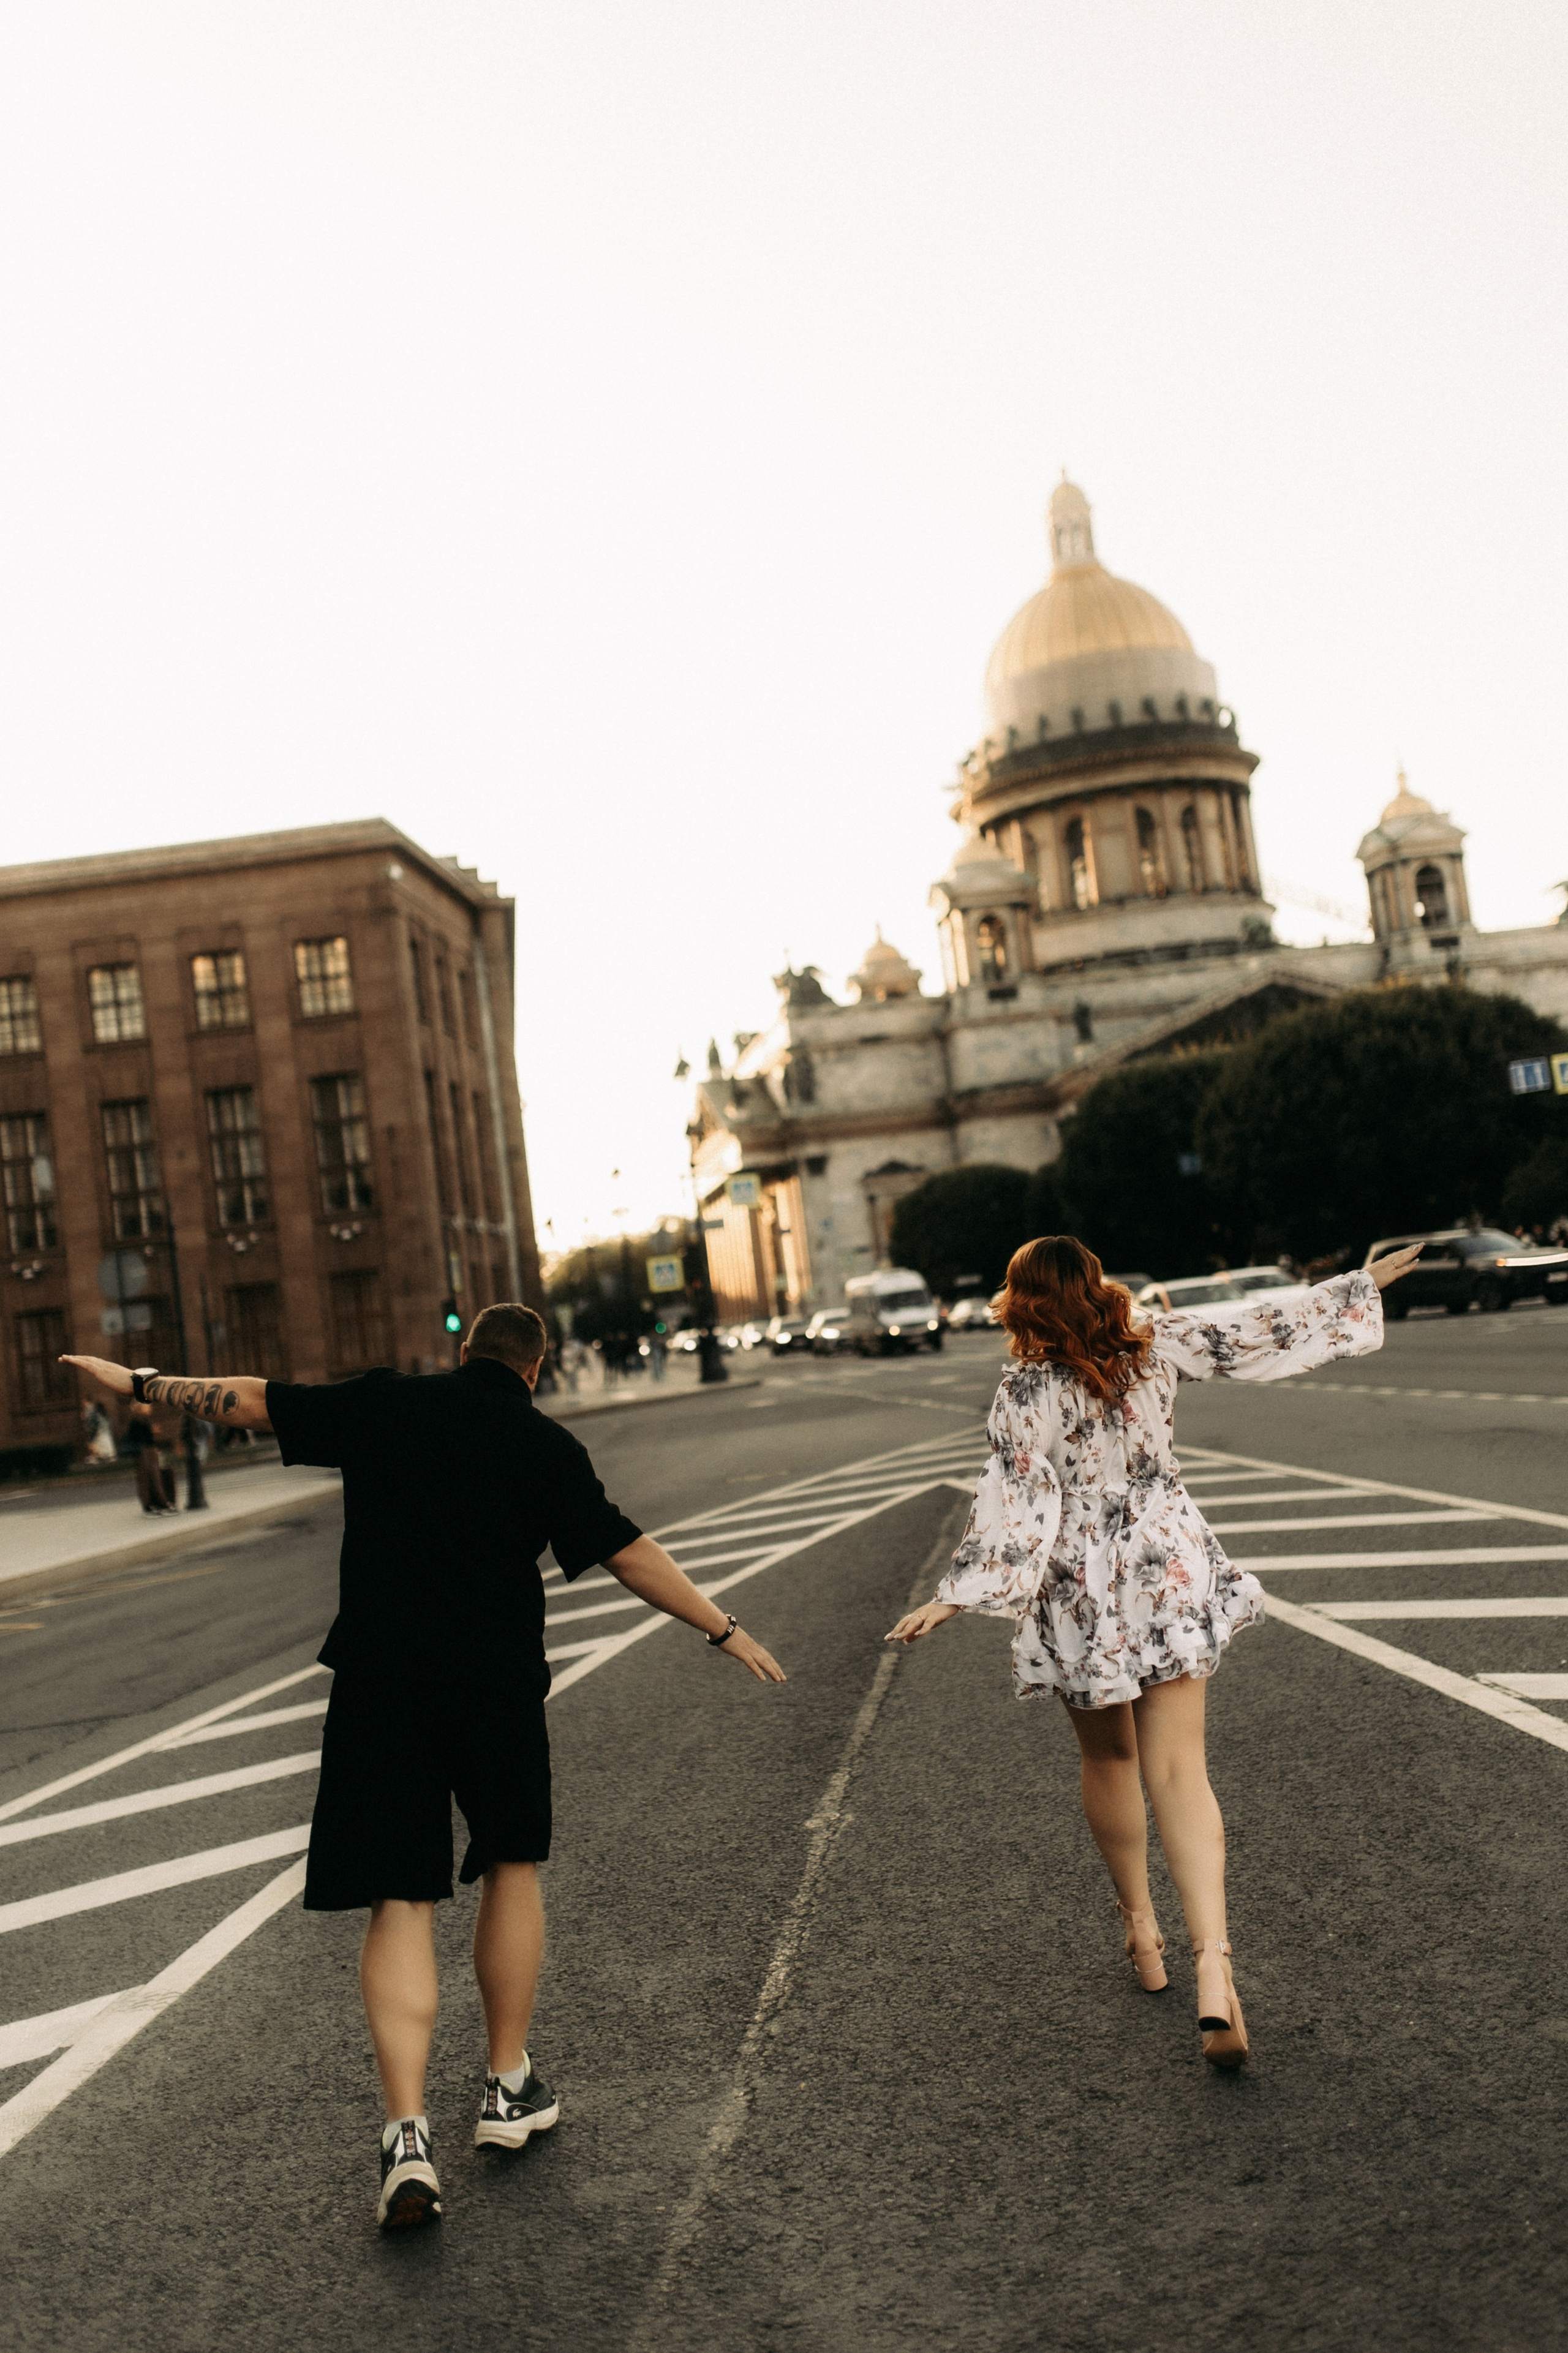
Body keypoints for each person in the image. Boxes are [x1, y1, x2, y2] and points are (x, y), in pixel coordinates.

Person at [62, 1303, 785, 2231]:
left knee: (400, 1896)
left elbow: (248, 1402)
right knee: (511, 1865)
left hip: (381, 1681)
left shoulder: (386, 1405)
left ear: (463, 1352)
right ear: (535, 1367)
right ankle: (506, 2088)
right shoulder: (542, 1442)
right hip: (494, 1684)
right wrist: (722, 1628)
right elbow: (626, 1554)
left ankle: (407, 2136)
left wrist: (136, 1382)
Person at [888, 1235, 1419, 2069]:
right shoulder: (1153, 1342)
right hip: (1165, 1563)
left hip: (1078, 1584)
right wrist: (1354, 1286)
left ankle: (1143, 1932)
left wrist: (951, 1598)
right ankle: (1216, 1968)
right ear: (1095, 1285)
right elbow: (1256, 1329)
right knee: (1182, 1770)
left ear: (1020, 1302)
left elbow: (1017, 1504)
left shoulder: (1025, 1386)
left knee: (1110, 1760)